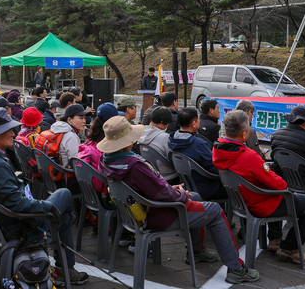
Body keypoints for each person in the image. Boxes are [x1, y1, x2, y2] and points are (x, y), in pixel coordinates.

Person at [98, 116, 258, 284]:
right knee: (216, 210)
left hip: (136, 212)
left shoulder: (107, 161)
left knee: (195, 197)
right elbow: (161, 194)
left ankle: (197, 251)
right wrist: (179, 194)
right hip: (160, 213)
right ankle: (236, 269)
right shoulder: (135, 166)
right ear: (129, 140)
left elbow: (149, 189)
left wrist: (172, 190)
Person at [0, 109, 89, 286]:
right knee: (64, 195)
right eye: (9, 130)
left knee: (62, 205)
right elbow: (17, 204)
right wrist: (45, 206)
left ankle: (65, 264)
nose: (13, 133)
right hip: (19, 224)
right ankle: (65, 268)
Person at [213, 110, 305, 265]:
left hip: (241, 201)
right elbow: (280, 185)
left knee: (280, 193)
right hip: (262, 204)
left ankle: (275, 239)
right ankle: (289, 248)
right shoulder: (249, 156)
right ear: (245, 133)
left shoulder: (217, 149)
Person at [169, 107, 225, 200]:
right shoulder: (198, 144)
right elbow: (213, 167)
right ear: (193, 124)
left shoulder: (172, 139)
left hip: (185, 184)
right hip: (206, 188)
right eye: (198, 119)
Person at [137, 106, 179, 184]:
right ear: (162, 122)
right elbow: (175, 160)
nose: (167, 126)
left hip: (150, 174)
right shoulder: (165, 138)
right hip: (168, 177)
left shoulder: (140, 133)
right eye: (168, 124)